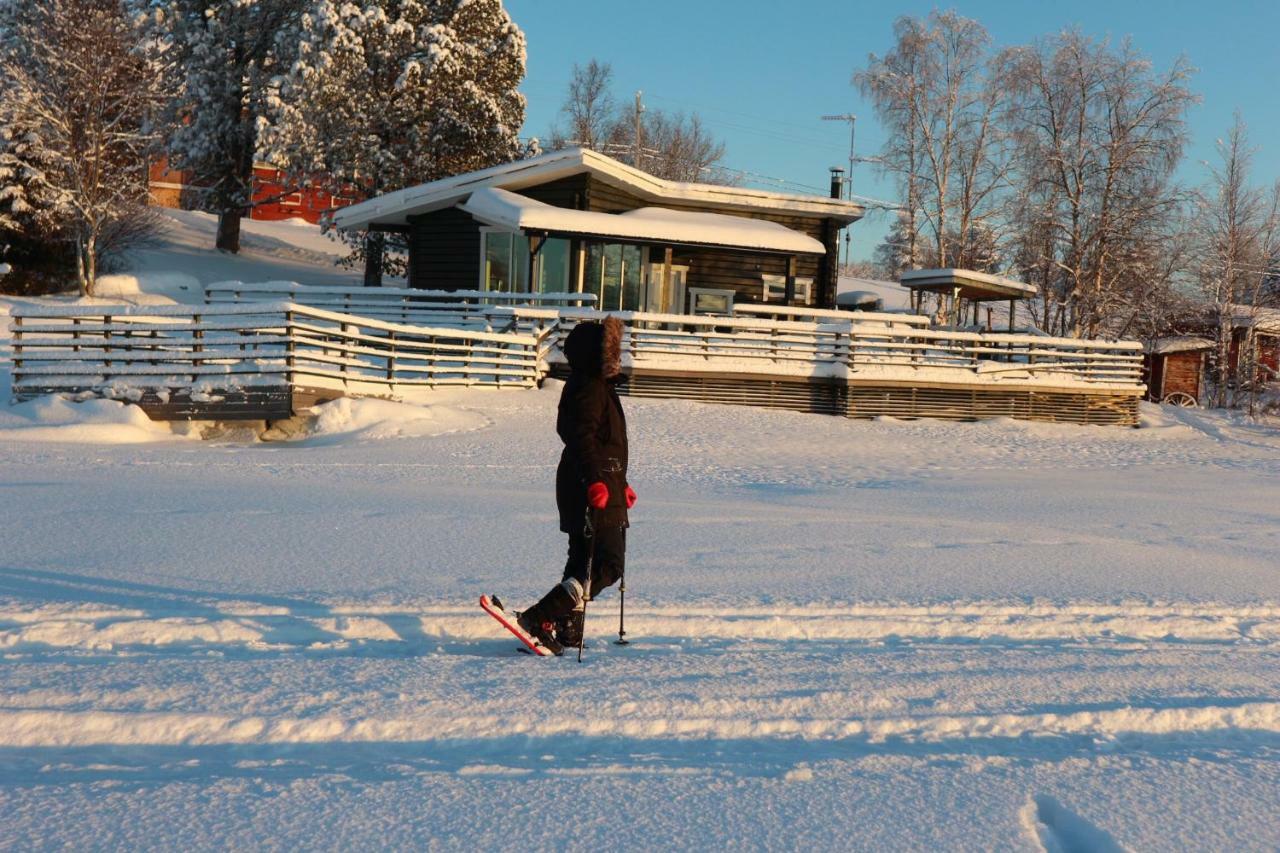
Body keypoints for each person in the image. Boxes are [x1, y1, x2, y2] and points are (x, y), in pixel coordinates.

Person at [518, 316, 635, 655]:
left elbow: (605, 443)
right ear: (595, 354)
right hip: (590, 486)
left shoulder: (598, 386)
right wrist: (597, 481)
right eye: (611, 350)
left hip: (599, 484)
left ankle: (568, 627)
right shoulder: (589, 386)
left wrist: (620, 483)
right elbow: (580, 437)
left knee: (582, 561)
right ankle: (541, 616)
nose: (617, 357)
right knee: (607, 566)